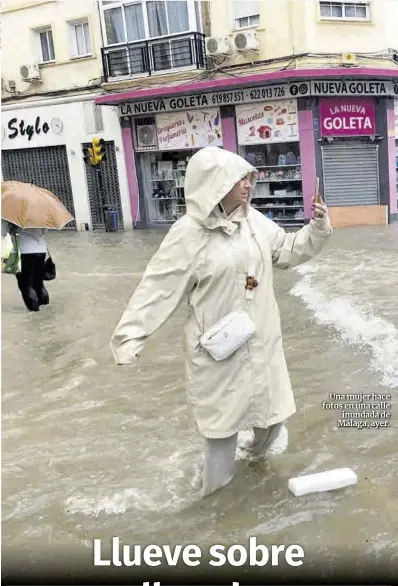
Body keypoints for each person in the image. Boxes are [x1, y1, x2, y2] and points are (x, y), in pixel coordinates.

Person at [110, 146, 332, 497]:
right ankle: (213, 507)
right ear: (215, 184)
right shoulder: (188, 234)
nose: (247, 185)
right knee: (221, 432)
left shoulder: (254, 222)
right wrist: (130, 337)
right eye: (238, 179)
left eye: (248, 178)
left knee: (271, 419)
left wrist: (317, 227)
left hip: (261, 340)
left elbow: (287, 250)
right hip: (218, 349)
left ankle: (253, 470)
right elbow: (157, 287)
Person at [1, 219, 49, 312]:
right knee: (38, 283)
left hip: (23, 251)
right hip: (41, 250)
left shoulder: (12, 215)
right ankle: (45, 309)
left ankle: (34, 313)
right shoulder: (39, 214)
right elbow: (44, 231)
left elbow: (2, 232)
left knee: (26, 284)